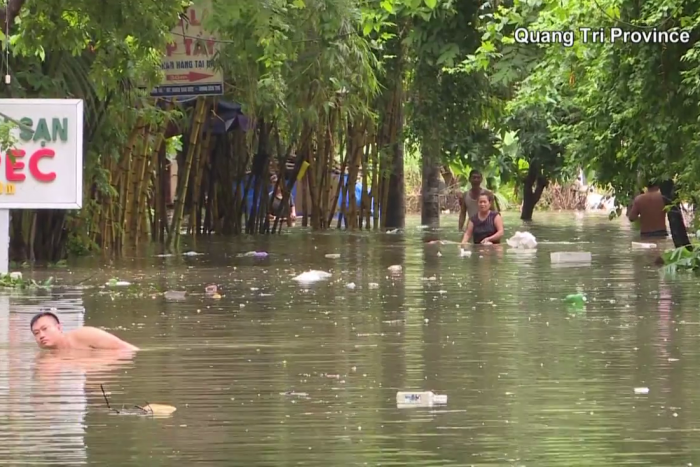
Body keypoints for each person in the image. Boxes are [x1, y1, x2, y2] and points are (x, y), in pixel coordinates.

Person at [30, 311, 139, 351]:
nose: (41, 335)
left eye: (45, 329)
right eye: (36, 333)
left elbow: (127, 349)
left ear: (58, 327)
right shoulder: (46, 357)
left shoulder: (84, 335)